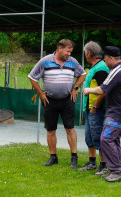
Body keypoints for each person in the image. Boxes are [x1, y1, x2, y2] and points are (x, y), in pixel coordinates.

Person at [28, 39, 86, 168]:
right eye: (67, 51)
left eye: (70, 52)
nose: (69, 54)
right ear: (60, 48)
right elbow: (32, 77)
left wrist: (75, 88)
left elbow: (82, 74)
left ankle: (74, 158)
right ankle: (53, 157)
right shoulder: (45, 61)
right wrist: (40, 94)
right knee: (50, 130)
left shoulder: (72, 62)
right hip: (49, 101)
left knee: (70, 129)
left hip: (67, 100)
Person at [83, 46, 121, 182]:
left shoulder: (118, 70)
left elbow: (102, 89)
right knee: (113, 140)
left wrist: (88, 90)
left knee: (106, 139)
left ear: (111, 58)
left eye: (105, 57)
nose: (103, 60)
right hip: (117, 110)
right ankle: (115, 169)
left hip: (117, 112)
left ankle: (116, 171)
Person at [78, 41, 109, 176]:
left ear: (88, 53)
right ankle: (92, 162)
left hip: (97, 109)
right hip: (90, 108)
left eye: (85, 53)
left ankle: (104, 166)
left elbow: (104, 91)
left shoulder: (101, 68)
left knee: (98, 137)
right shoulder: (94, 67)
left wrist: (95, 106)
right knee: (89, 137)